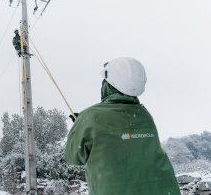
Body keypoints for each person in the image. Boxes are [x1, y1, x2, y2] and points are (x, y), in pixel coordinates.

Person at [65, 57, 181, 195]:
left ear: (108, 85)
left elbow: (73, 157)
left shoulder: (89, 117)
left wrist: (78, 128)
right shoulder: (144, 115)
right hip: (163, 189)